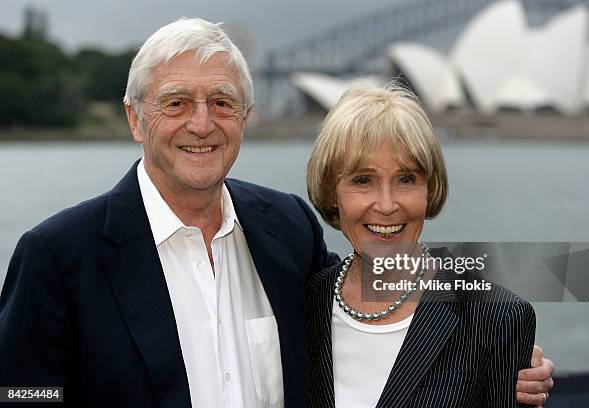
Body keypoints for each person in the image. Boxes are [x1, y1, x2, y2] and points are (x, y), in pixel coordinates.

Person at [0, 18, 553, 408]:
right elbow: (22, 393)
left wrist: (505, 328)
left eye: (221, 102)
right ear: (135, 118)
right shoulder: (57, 255)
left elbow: (377, 269)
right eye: (175, 103)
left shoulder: (285, 227)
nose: (201, 123)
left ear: (246, 115)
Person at [305, 83, 549, 407]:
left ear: (430, 188)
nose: (387, 204)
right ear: (331, 192)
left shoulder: (496, 317)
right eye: (362, 180)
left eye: (406, 179)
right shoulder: (303, 303)